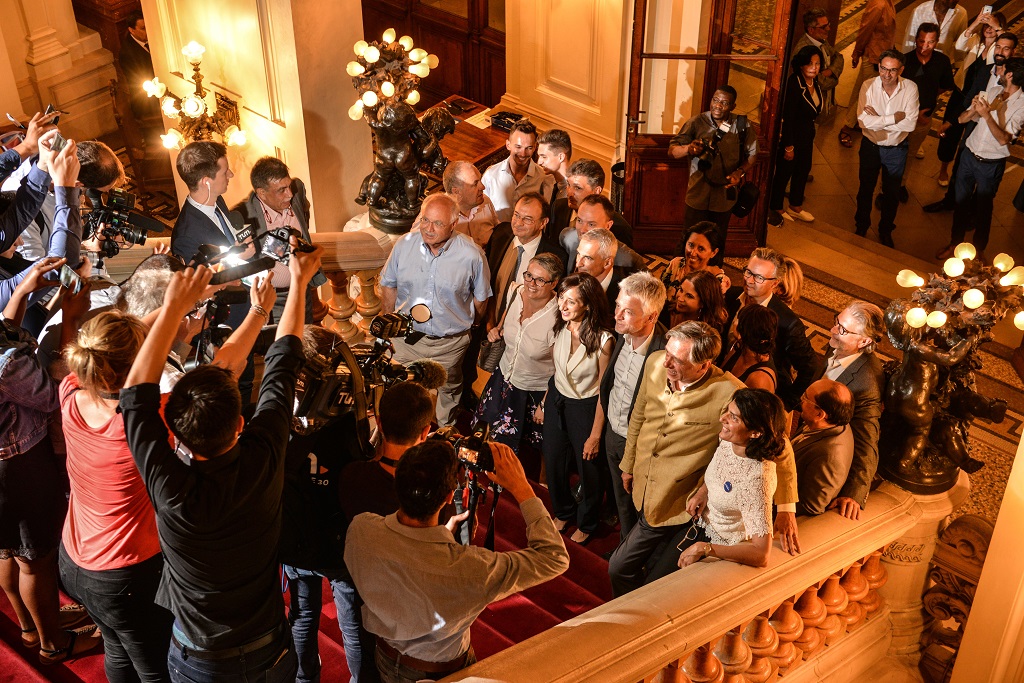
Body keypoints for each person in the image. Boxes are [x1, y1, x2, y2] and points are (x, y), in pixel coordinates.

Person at [119, 239, 323, 681]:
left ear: (174, 430)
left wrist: (174, 306)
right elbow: (284, 363)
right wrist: (299, 280)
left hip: (203, 661)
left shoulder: (171, 487)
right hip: (270, 649)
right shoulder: (264, 455)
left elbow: (135, 396)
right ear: (238, 425)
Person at [344, 440, 570, 683]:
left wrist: (441, 538)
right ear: (450, 496)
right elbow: (554, 557)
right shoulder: (471, 569)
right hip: (441, 673)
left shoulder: (361, 529)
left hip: (384, 657)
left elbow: (407, 562)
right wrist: (522, 487)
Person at [608, 322, 799, 597]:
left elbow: (781, 446)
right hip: (639, 484)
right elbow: (639, 415)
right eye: (667, 353)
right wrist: (628, 465)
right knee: (638, 562)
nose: (666, 363)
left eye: (678, 360)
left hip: (676, 500)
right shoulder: (654, 362)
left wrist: (786, 509)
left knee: (621, 568)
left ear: (703, 364)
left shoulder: (730, 393)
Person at [58, 308, 175, 680]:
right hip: (122, 576)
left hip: (74, 562)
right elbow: (224, 369)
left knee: (117, 648)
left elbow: (109, 351)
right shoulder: (145, 422)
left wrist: (178, 304)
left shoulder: (72, 391)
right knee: (155, 668)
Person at [0, 261, 99, 667]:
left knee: (7, 551)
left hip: (7, 467)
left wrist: (25, 293)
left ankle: (29, 625)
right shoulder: (6, 366)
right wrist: (72, 319)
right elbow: (57, 392)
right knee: (34, 560)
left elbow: (6, 329)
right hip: (18, 469)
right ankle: (52, 643)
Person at [280, 325, 384, 683]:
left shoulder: (277, 418)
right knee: (353, 622)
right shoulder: (351, 417)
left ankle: (304, 679)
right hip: (341, 543)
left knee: (302, 615)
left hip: (294, 538)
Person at [644, 389, 788, 583]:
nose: (723, 418)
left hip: (721, 550)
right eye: (728, 411)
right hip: (699, 528)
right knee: (651, 580)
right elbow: (719, 474)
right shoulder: (729, 441)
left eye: (733, 417)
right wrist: (703, 491)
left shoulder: (757, 480)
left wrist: (705, 548)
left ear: (755, 432)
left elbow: (761, 553)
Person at [379, 193, 491, 426]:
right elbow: (388, 284)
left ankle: (443, 435)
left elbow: (481, 299)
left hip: (449, 344)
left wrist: (473, 326)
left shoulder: (472, 255)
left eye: (438, 223)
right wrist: (389, 323)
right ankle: (404, 435)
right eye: (425, 220)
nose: (429, 229)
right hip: (405, 339)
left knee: (449, 392)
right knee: (401, 392)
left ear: (453, 224)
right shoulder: (404, 245)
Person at [541, 272, 613, 546]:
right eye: (562, 298)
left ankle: (587, 522)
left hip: (585, 408)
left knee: (589, 470)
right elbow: (556, 371)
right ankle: (562, 511)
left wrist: (595, 435)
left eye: (571, 301)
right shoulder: (560, 326)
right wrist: (544, 402)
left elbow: (603, 393)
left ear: (588, 305)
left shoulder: (604, 341)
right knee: (554, 460)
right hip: (557, 400)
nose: (563, 305)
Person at [599, 272, 667, 542]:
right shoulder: (623, 336)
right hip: (613, 433)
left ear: (651, 317)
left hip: (639, 446)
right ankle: (623, 548)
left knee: (640, 507)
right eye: (617, 306)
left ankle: (634, 562)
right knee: (620, 501)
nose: (616, 315)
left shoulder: (663, 355)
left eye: (627, 311)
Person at [476, 253, 562, 462]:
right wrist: (496, 331)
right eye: (529, 276)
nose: (531, 284)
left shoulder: (559, 315)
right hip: (502, 379)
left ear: (555, 283)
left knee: (523, 454)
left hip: (533, 393)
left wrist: (544, 404)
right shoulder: (516, 292)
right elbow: (504, 325)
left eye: (540, 280)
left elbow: (561, 369)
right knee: (488, 439)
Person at [925, 31, 1017, 217]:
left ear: (1013, 52)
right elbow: (969, 96)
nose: (1000, 52)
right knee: (962, 161)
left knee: (984, 177)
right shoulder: (986, 69)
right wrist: (951, 122)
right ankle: (951, 201)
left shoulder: (1015, 76)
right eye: (998, 47)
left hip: (995, 130)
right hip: (975, 121)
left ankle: (974, 213)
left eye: (1006, 49)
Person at [942, 57, 1024, 258]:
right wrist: (973, 110)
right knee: (960, 204)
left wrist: (987, 115)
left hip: (990, 164)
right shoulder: (993, 91)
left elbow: (1004, 139)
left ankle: (979, 252)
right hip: (969, 156)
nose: (998, 71)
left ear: (1010, 75)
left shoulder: (1021, 106)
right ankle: (955, 244)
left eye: (1002, 69)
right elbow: (963, 119)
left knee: (983, 210)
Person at [233, 156, 328, 323]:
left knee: (304, 342)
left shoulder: (298, 189)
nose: (289, 194)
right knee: (280, 345)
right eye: (281, 190)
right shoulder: (243, 214)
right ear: (261, 192)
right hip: (272, 299)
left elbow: (304, 217)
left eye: (289, 186)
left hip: (303, 291)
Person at [668, 85, 757, 262]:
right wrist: (689, 149)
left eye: (724, 103)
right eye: (715, 100)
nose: (718, 105)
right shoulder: (696, 122)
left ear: (732, 106)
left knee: (716, 243)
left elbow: (752, 154)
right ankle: (678, 278)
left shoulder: (741, 125)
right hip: (697, 194)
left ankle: (712, 280)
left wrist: (739, 172)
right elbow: (672, 151)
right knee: (688, 240)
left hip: (723, 197)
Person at [724, 248, 820, 411]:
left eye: (759, 277)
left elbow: (810, 366)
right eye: (748, 272)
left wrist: (786, 403)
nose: (749, 280)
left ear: (775, 283)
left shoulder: (787, 322)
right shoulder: (731, 296)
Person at [820, 301, 886, 520]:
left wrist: (854, 494)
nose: (832, 330)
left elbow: (867, 439)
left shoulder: (867, 383)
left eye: (843, 329)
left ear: (864, 341)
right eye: (836, 321)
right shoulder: (839, 344)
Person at [853, 49, 919, 248]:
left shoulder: (910, 88)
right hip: (870, 146)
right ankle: (861, 225)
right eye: (883, 68)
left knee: (891, 194)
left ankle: (885, 230)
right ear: (879, 66)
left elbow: (910, 125)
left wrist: (878, 119)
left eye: (892, 70)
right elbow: (863, 122)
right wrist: (892, 118)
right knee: (865, 188)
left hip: (896, 150)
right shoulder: (868, 86)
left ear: (901, 70)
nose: (886, 75)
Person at [937, 11, 1006, 187]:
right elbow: (959, 46)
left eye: (993, 25)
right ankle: (943, 168)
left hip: (980, 101)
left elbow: (1007, 41)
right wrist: (976, 22)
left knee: (968, 138)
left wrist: (998, 28)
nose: (989, 28)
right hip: (961, 93)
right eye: (987, 24)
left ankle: (959, 175)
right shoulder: (976, 41)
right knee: (949, 134)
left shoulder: (1000, 49)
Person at [485, 193, 567, 325]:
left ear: (543, 223)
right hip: (489, 326)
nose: (518, 223)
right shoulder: (500, 234)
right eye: (516, 215)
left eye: (527, 219)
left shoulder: (556, 255)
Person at [769, 45, 824, 226]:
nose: (814, 67)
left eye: (817, 63)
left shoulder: (814, 83)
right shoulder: (794, 84)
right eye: (810, 63)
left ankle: (795, 205)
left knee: (802, 170)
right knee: (784, 173)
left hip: (807, 135)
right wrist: (789, 146)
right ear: (801, 64)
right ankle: (776, 206)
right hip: (792, 137)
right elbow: (788, 118)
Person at [169, 141, 245, 269]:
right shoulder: (185, 238)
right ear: (206, 182)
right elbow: (201, 283)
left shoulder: (217, 199)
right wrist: (241, 257)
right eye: (225, 172)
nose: (231, 174)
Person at [901, 24, 954, 190]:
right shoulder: (904, 61)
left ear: (937, 42)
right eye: (921, 41)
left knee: (910, 155)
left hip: (923, 120)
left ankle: (900, 186)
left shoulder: (942, 61)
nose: (925, 46)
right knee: (895, 154)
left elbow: (945, 85)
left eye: (930, 42)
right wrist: (913, 112)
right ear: (916, 39)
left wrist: (929, 97)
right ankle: (885, 189)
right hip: (901, 117)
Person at [793, 379, 856, 516]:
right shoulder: (828, 423)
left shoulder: (829, 457)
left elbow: (810, 507)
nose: (801, 399)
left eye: (806, 398)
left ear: (819, 414)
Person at [838, 0, 896, 147]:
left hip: (880, 54)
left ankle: (852, 121)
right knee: (867, 94)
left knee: (860, 90)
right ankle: (847, 127)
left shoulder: (888, 2)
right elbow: (865, 30)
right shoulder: (879, 5)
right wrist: (857, 52)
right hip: (874, 56)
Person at [481, 119, 555, 223]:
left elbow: (545, 218)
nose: (523, 153)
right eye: (518, 147)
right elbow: (481, 213)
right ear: (508, 145)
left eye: (528, 148)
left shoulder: (544, 178)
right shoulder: (491, 176)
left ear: (534, 148)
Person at [547, 159, 633, 246]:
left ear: (596, 191)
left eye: (578, 188)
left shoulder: (620, 228)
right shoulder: (558, 207)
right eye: (569, 185)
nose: (569, 193)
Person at [559, 195, 645, 272]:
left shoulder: (629, 260)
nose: (582, 230)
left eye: (591, 224)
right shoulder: (567, 237)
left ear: (608, 226)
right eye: (579, 220)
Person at [574, 228, 636, 317]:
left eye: (588, 258)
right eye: (578, 253)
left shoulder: (626, 294)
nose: (578, 264)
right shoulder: (573, 278)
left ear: (607, 263)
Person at [793, 9, 844, 116]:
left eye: (828, 25)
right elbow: (824, 84)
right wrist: (835, 78)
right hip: (809, 107)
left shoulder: (821, 40)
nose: (829, 29)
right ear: (811, 30)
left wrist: (830, 71)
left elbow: (839, 57)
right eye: (823, 27)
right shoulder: (804, 52)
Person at [721, 304, 779, 393]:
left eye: (739, 321)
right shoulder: (740, 346)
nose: (735, 323)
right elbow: (720, 375)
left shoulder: (760, 379)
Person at [443, 160, 499, 250]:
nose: (483, 187)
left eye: (480, 180)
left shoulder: (485, 201)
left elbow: (498, 230)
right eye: (475, 183)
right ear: (456, 191)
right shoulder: (435, 215)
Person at [118, 10, 158, 119]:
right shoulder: (127, 54)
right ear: (132, 30)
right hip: (147, 103)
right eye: (143, 28)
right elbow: (141, 82)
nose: (148, 30)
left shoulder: (154, 38)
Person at [661, 269, 728, 333]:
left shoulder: (710, 330)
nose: (680, 298)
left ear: (703, 303)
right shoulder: (665, 309)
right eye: (681, 290)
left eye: (689, 296)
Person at [900, 0, 968, 61]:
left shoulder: (961, 14)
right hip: (917, 62)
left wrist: (958, 66)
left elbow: (961, 43)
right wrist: (904, 63)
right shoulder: (920, 11)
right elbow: (909, 41)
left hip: (941, 66)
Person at [536, 129, 572, 204]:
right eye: (539, 156)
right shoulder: (546, 183)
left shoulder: (573, 193)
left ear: (561, 157)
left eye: (544, 157)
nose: (539, 162)